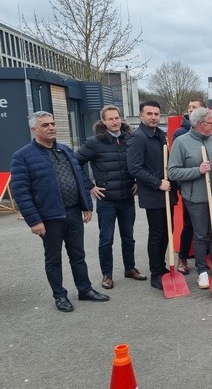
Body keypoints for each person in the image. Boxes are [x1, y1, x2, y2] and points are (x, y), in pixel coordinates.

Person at [10, 111, 110, 312]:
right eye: (45, 125)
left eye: (53, 123)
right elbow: (21, 192)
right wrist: (34, 221)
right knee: (53, 258)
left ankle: (85, 289)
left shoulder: (65, 151)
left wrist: (86, 206)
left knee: (78, 255)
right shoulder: (23, 156)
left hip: (73, 212)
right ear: (34, 130)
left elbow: (80, 178)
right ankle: (60, 295)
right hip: (49, 218)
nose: (51, 127)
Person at [75, 105, 145, 290]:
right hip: (107, 200)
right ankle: (107, 274)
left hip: (127, 197)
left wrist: (138, 180)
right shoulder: (94, 142)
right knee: (106, 239)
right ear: (103, 121)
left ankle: (130, 268)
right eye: (110, 119)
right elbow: (75, 162)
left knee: (128, 237)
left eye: (117, 118)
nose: (115, 122)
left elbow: (139, 163)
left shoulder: (131, 139)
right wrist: (89, 185)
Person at [168, 107, 212, 288]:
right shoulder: (181, 142)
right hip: (195, 198)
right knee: (200, 235)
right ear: (200, 124)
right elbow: (173, 172)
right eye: (211, 123)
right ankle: (202, 272)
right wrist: (197, 171)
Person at [126, 100, 178, 290]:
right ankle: (156, 272)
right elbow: (134, 168)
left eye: (156, 114)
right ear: (141, 115)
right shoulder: (138, 137)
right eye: (149, 114)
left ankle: (162, 267)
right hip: (154, 193)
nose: (154, 117)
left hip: (167, 192)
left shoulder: (160, 135)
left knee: (166, 232)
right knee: (156, 234)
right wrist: (158, 183)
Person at [172, 99, 207, 276]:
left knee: (206, 226)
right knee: (190, 224)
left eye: (195, 108)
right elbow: (176, 164)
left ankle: (205, 258)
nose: (191, 110)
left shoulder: (208, 134)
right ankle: (183, 257)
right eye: (189, 107)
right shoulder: (180, 134)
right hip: (189, 188)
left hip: (207, 188)